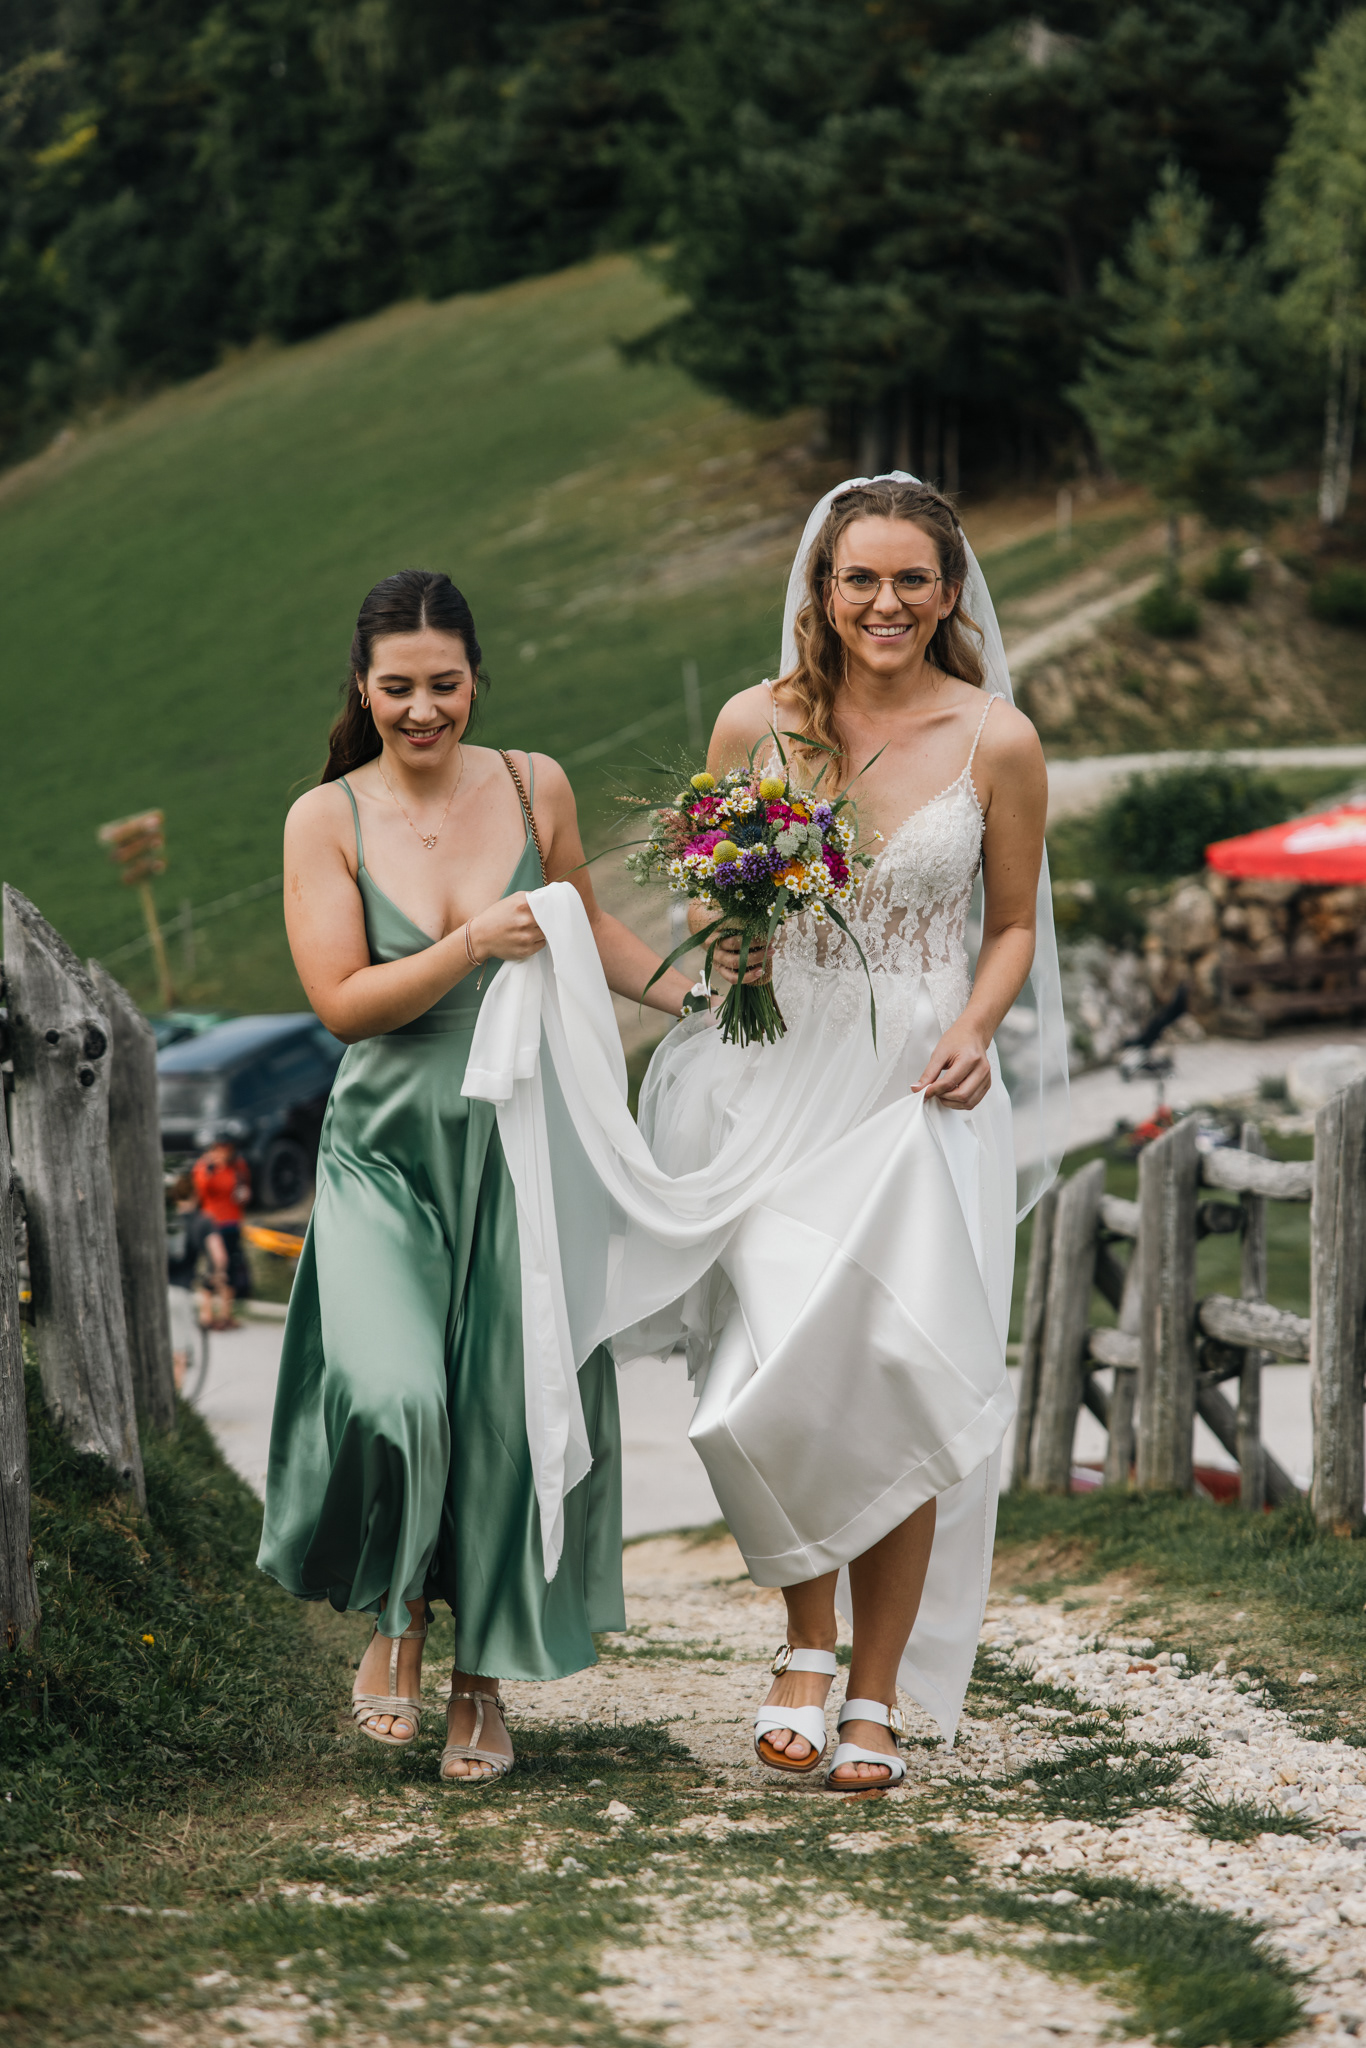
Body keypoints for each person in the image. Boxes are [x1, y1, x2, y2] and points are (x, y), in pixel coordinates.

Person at [458, 473, 1065, 1796]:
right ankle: (803, 1638)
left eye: (910, 579)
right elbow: (709, 904)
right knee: (762, 1375)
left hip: (915, 1092)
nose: (885, 602)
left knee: (896, 1369)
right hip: (771, 1078)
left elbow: (1013, 922)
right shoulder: (756, 723)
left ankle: (872, 1693)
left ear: (948, 592)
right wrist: (725, 936)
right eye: (861, 579)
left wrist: (976, 1026)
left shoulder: (997, 739)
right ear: (822, 590)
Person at [256, 568, 694, 1786]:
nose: (422, 709)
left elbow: (588, 926)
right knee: (392, 1395)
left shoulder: (531, 782)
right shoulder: (323, 818)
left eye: (443, 684)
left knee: (506, 1416)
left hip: (522, 1143)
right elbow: (343, 1003)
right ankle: (395, 1612)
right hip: (386, 1150)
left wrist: (705, 993)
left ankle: (480, 1683)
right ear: (363, 687)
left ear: (475, 679)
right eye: (398, 687)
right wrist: (466, 943)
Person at [165, 1174, 224, 1391]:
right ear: (196, 1195)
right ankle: (177, 1403)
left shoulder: (165, 1220)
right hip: (179, 1293)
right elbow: (219, 1256)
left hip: (153, 1293)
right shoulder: (202, 1221)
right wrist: (215, 1277)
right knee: (179, 1353)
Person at [192, 1139, 251, 1326]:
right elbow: (200, 1192)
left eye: (226, 1149)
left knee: (232, 1266)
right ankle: (207, 1313)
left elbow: (245, 1190)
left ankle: (226, 1314)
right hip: (212, 1223)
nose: (222, 1154)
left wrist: (245, 1195)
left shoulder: (238, 1166)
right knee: (214, 1266)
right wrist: (208, 1169)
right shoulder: (204, 1167)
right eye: (218, 1150)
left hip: (232, 1221)